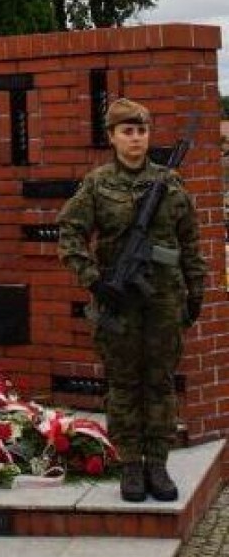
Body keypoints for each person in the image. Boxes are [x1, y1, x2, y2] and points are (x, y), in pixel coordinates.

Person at [57, 97, 206, 504]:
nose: (135, 139)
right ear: (112, 137)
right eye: (127, 131)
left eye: (141, 131)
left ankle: (157, 462)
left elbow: (190, 243)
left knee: (159, 383)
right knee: (123, 384)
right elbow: (69, 234)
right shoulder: (97, 183)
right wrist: (94, 280)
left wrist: (197, 292)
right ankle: (130, 465)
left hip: (164, 301)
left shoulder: (171, 183)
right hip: (118, 302)